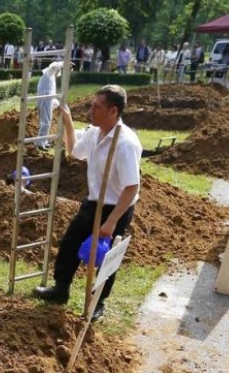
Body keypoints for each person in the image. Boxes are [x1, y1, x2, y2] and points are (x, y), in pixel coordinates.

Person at [34, 85, 142, 322]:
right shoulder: (95, 132)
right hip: (94, 202)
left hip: (117, 207)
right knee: (70, 243)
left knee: (105, 257)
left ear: (113, 110)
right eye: (92, 105)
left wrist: (112, 222)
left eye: (97, 107)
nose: (91, 110)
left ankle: (97, 302)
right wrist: (69, 121)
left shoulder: (125, 144)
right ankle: (60, 289)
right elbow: (75, 151)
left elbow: (132, 187)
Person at [36, 61, 65, 150]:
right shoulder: (48, 74)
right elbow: (54, 66)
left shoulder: (51, 78)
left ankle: (43, 141)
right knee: (45, 123)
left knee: (46, 122)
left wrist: (59, 104)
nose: (57, 72)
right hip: (45, 100)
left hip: (48, 100)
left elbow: (52, 94)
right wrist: (66, 62)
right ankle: (40, 143)